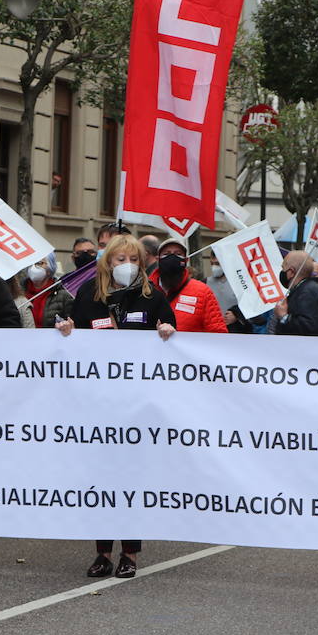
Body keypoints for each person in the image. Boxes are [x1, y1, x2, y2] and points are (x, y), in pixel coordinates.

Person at [56, 233, 175, 579]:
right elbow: (74, 335)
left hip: (138, 408)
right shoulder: (89, 295)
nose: (127, 266)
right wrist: (66, 330)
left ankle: (130, 553)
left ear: (143, 263)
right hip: (97, 407)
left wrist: (167, 329)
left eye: (134, 259)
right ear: (107, 262)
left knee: (131, 481)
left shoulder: (153, 297)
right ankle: (102, 552)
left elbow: (171, 332)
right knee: (100, 480)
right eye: (120, 259)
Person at [151, 239, 226, 333]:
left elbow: (218, 333)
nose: (172, 257)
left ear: (186, 260)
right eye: (166, 254)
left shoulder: (202, 292)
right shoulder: (145, 291)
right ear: (158, 259)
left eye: (178, 254)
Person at [273, 251, 318, 337]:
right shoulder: (305, 288)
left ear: (291, 272)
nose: (282, 272)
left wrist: (283, 316)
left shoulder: (306, 292)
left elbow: (308, 327)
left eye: (283, 268)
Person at [26, 255, 74, 328]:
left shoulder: (63, 295)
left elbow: (70, 324)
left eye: (39, 263)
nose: (33, 267)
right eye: (30, 263)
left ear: (50, 267)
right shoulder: (19, 293)